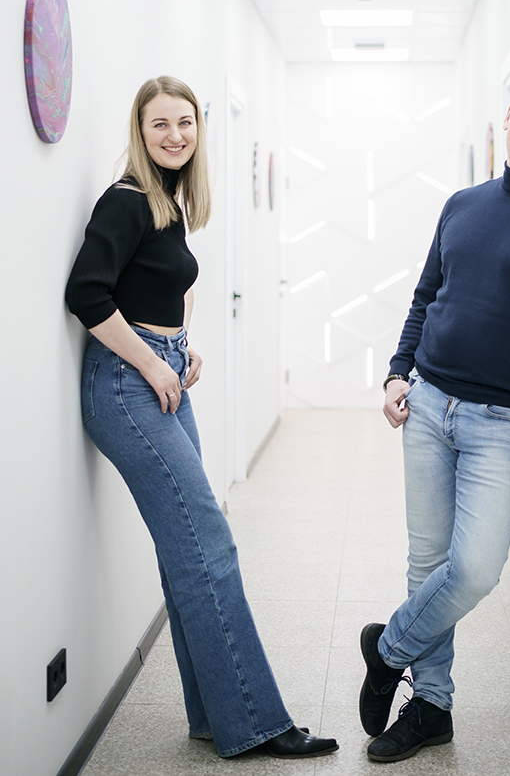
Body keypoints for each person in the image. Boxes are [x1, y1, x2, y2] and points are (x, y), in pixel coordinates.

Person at [65, 76, 338, 760]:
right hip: (127, 387)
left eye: (185, 122)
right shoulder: (127, 200)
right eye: (160, 124)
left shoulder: (169, 202)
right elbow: (86, 293)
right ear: (140, 130)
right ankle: (257, 723)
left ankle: (217, 716)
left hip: (158, 373)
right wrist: (152, 363)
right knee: (210, 545)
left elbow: (163, 288)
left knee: (187, 553)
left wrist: (180, 348)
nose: (175, 135)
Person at [359, 67, 510, 762]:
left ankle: (388, 649)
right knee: (427, 561)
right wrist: (397, 371)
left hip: (508, 421)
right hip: (429, 404)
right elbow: (425, 295)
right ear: (507, 116)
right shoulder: (462, 204)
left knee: (474, 568)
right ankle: (431, 705)